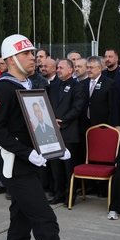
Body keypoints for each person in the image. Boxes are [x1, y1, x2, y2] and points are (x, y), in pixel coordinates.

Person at [0, 34, 102, 240]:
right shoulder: (2, 88)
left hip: (35, 165)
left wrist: (57, 147)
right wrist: (27, 152)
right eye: (26, 54)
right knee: (45, 219)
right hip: (17, 168)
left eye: (32, 53)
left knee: (21, 220)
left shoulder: (31, 84)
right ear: (12, 59)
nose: (33, 58)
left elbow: (40, 121)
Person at [47, 59, 86, 205]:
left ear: (70, 70)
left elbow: (77, 109)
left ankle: (70, 196)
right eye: (57, 68)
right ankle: (58, 194)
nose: (58, 70)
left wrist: (61, 122)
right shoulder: (54, 86)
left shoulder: (78, 87)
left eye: (61, 68)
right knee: (55, 166)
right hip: (53, 131)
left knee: (69, 167)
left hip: (68, 132)